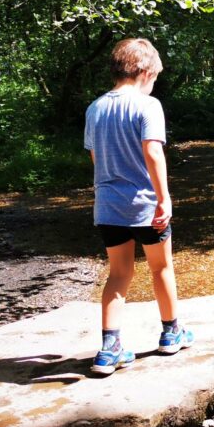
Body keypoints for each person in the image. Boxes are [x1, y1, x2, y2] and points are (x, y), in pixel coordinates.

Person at [84, 38, 193, 375]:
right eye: (155, 77)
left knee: (119, 274)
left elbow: (94, 156)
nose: (154, 84)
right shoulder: (148, 106)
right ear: (145, 72)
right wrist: (164, 198)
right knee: (161, 268)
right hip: (146, 205)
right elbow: (153, 152)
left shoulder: (96, 108)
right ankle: (171, 333)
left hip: (108, 206)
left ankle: (109, 349)